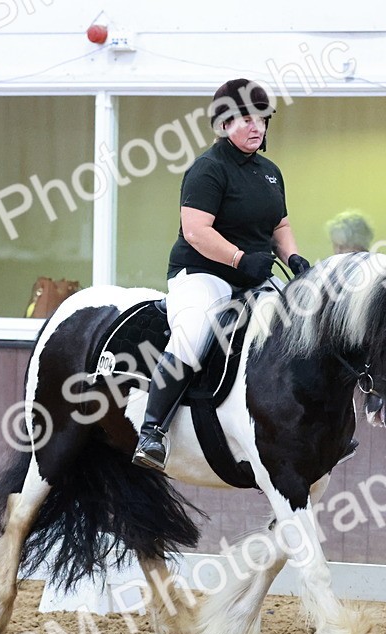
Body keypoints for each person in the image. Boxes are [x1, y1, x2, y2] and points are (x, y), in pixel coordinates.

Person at [132, 79, 311, 471]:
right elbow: (196, 231)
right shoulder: (208, 169)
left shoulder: (269, 172)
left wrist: (294, 258)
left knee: (302, 326)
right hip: (202, 274)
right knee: (194, 332)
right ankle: (153, 431)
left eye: (261, 119)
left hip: (253, 277)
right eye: (246, 119)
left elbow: (279, 224)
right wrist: (240, 259)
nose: (256, 127)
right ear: (224, 123)